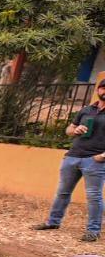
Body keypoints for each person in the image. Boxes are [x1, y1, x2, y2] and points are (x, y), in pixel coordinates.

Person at [33, 80, 105, 242]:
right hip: (72, 157)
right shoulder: (86, 110)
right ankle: (53, 222)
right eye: (103, 87)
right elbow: (69, 130)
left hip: (95, 160)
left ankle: (93, 230)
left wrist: (103, 156)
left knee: (94, 196)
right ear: (98, 90)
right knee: (62, 192)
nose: (104, 91)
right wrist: (75, 130)